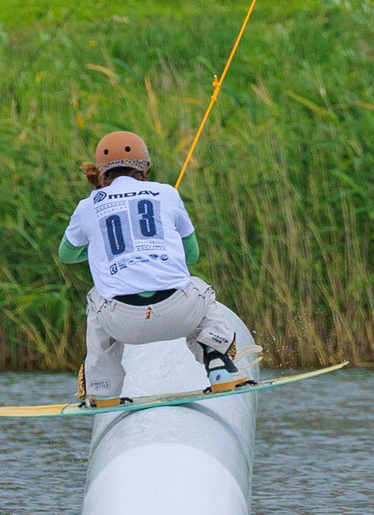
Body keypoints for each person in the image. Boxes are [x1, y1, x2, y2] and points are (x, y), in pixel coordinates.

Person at [58, 130, 251, 407]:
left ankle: (102, 391)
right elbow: (192, 255)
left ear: (100, 172)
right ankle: (219, 367)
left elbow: (66, 254)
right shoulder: (167, 193)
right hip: (179, 314)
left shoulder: (87, 206)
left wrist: (101, 249)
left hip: (123, 323)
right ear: (145, 168)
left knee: (96, 298)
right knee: (198, 287)